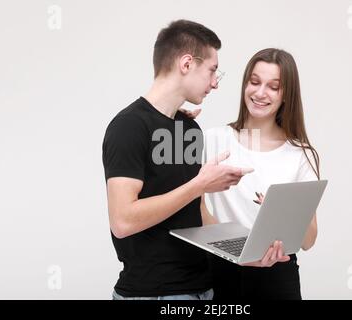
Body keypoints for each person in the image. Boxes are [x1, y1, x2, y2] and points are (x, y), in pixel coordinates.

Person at [101, 19, 252, 300]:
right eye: (212, 70)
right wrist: (200, 184)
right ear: (186, 64)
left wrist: (247, 250)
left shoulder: (189, 129)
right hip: (152, 293)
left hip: (202, 289)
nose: (215, 83)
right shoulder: (129, 126)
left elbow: (199, 214)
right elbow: (122, 221)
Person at [199, 48, 321, 300]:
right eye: (254, 82)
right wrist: (231, 248)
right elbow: (195, 210)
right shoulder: (213, 140)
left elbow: (308, 241)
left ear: (286, 94)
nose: (260, 93)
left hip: (278, 277)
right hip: (220, 271)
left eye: (273, 86)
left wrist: (288, 214)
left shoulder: (301, 154)